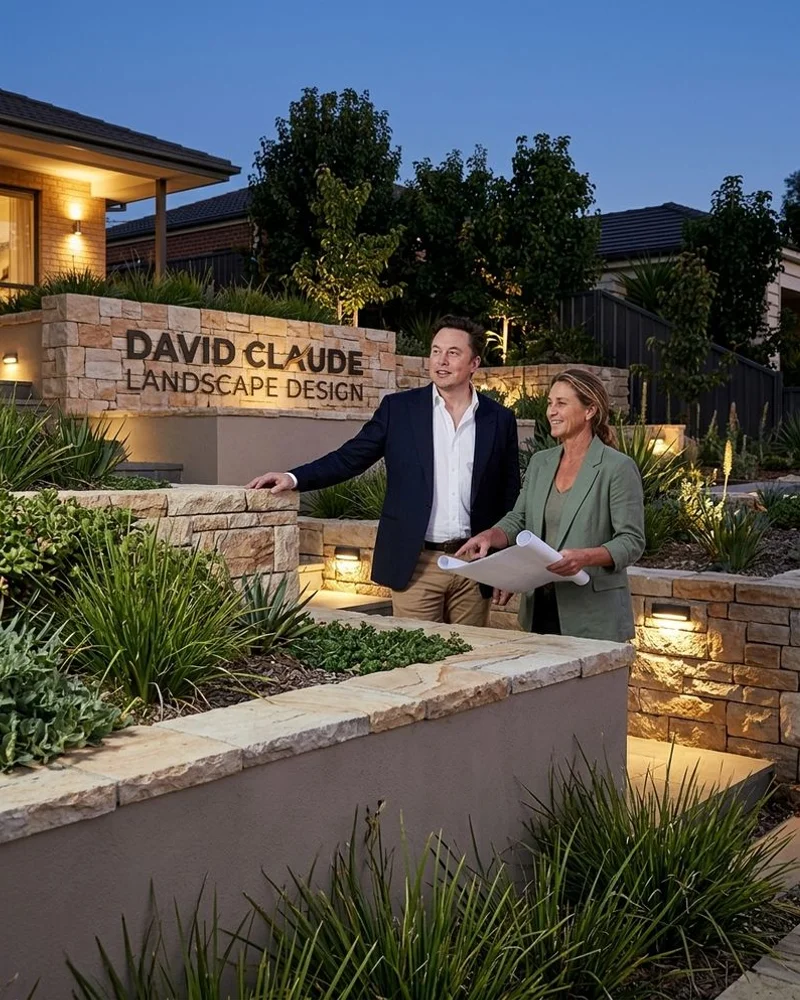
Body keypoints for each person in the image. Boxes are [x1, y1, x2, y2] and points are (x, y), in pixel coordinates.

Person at [246, 316, 520, 625]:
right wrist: (294, 478)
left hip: (475, 566)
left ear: (474, 363)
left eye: (453, 353)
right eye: (435, 351)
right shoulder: (399, 410)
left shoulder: (499, 419)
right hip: (415, 565)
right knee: (419, 660)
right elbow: (350, 457)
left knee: (471, 664)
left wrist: (504, 564)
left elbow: (510, 497)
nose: (441, 361)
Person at [455, 368, 645, 642]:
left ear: (590, 410)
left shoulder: (617, 468)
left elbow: (632, 541)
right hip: (539, 609)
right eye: (549, 403)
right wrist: (490, 536)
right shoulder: (540, 462)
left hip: (593, 616)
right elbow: (518, 519)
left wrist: (584, 558)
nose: (551, 411)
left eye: (561, 403)